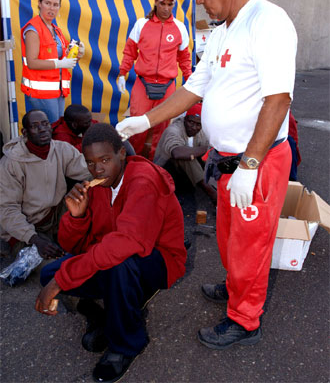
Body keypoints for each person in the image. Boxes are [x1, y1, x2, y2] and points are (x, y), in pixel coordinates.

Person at [116, 0, 297, 349]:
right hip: (230, 159)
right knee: (230, 237)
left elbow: (278, 98)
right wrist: (144, 119)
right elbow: (195, 86)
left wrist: (250, 166)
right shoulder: (222, 33)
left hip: (258, 160)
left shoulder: (269, 21)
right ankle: (237, 288)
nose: (199, 2)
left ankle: (245, 319)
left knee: (251, 243)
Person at [35, 123, 186, 383]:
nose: (98, 169)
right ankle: (111, 311)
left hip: (159, 261)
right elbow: (74, 246)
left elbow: (126, 243)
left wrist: (61, 282)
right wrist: (76, 216)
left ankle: (125, 345)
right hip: (114, 255)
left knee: (117, 265)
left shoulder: (143, 181)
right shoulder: (96, 186)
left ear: (122, 154)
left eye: (105, 159)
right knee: (49, 272)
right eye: (91, 163)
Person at [0, 110, 90, 260]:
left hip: (54, 215)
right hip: (28, 227)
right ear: (25, 132)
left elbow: (88, 172)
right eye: (35, 126)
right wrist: (34, 238)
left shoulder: (62, 149)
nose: (42, 129)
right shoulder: (10, 163)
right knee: (52, 268)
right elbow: (7, 210)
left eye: (45, 124)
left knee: (89, 191)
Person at [117, 0, 192, 160]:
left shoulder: (180, 28)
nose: (166, 8)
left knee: (162, 129)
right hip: (143, 83)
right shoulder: (141, 24)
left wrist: (189, 80)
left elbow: (184, 58)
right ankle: (132, 162)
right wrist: (122, 73)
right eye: (163, 3)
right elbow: (130, 51)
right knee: (136, 126)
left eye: (170, 4)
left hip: (167, 86)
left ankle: (156, 167)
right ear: (156, 2)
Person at [21, 0, 85, 123]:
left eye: (55, 5)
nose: (51, 8)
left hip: (58, 90)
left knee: (57, 128)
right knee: (49, 131)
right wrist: (59, 63)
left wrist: (77, 54)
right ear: (39, 3)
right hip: (41, 93)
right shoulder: (33, 29)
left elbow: (66, 59)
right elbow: (32, 62)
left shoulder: (56, 30)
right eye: (47, 3)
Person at [154, 102, 217, 202]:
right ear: (185, 119)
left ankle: (218, 187)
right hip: (165, 173)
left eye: (198, 124)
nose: (193, 127)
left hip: (185, 178)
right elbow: (177, 153)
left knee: (208, 155)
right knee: (186, 156)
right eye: (191, 122)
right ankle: (211, 192)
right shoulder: (174, 130)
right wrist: (207, 148)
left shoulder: (201, 131)